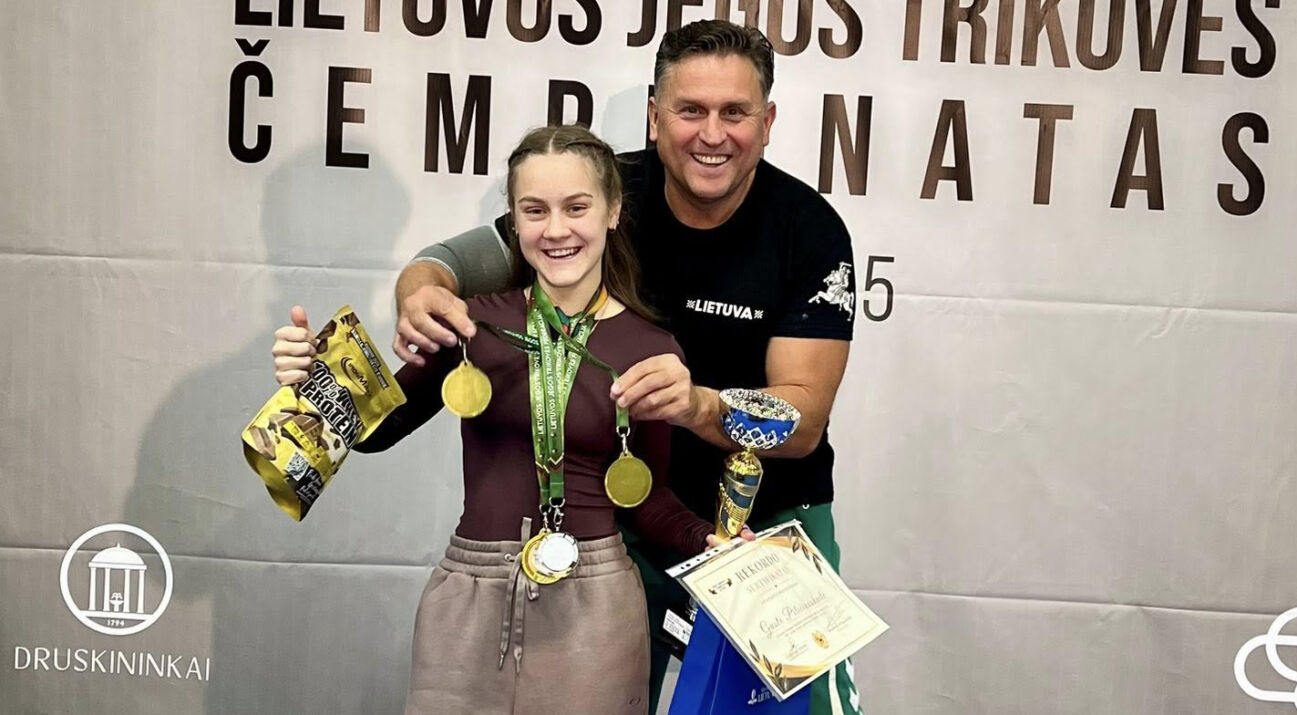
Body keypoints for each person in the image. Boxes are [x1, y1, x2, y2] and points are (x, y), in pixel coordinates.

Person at [390, 21, 864, 715]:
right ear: (653, 115)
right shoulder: (601, 195)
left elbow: (802, 421)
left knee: (803, 709)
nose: (712, 134)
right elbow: (453, 264)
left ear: (766, 123)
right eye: (690, 109)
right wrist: (417, 291)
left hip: (765, 524)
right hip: (622, 523)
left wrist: (697, 404)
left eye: (734, 112)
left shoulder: (810, 230)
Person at [270, 125, 740, 715]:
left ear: (614, 211)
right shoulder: (470, 325)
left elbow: (646, 497)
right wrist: (311, 378)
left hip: (597, 608)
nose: (557, 230)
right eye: (535, 210)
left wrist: (708, 539)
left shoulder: (652, 348)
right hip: (470, 597)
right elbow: (375, 431)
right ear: (513, 222)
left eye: (577, 208)